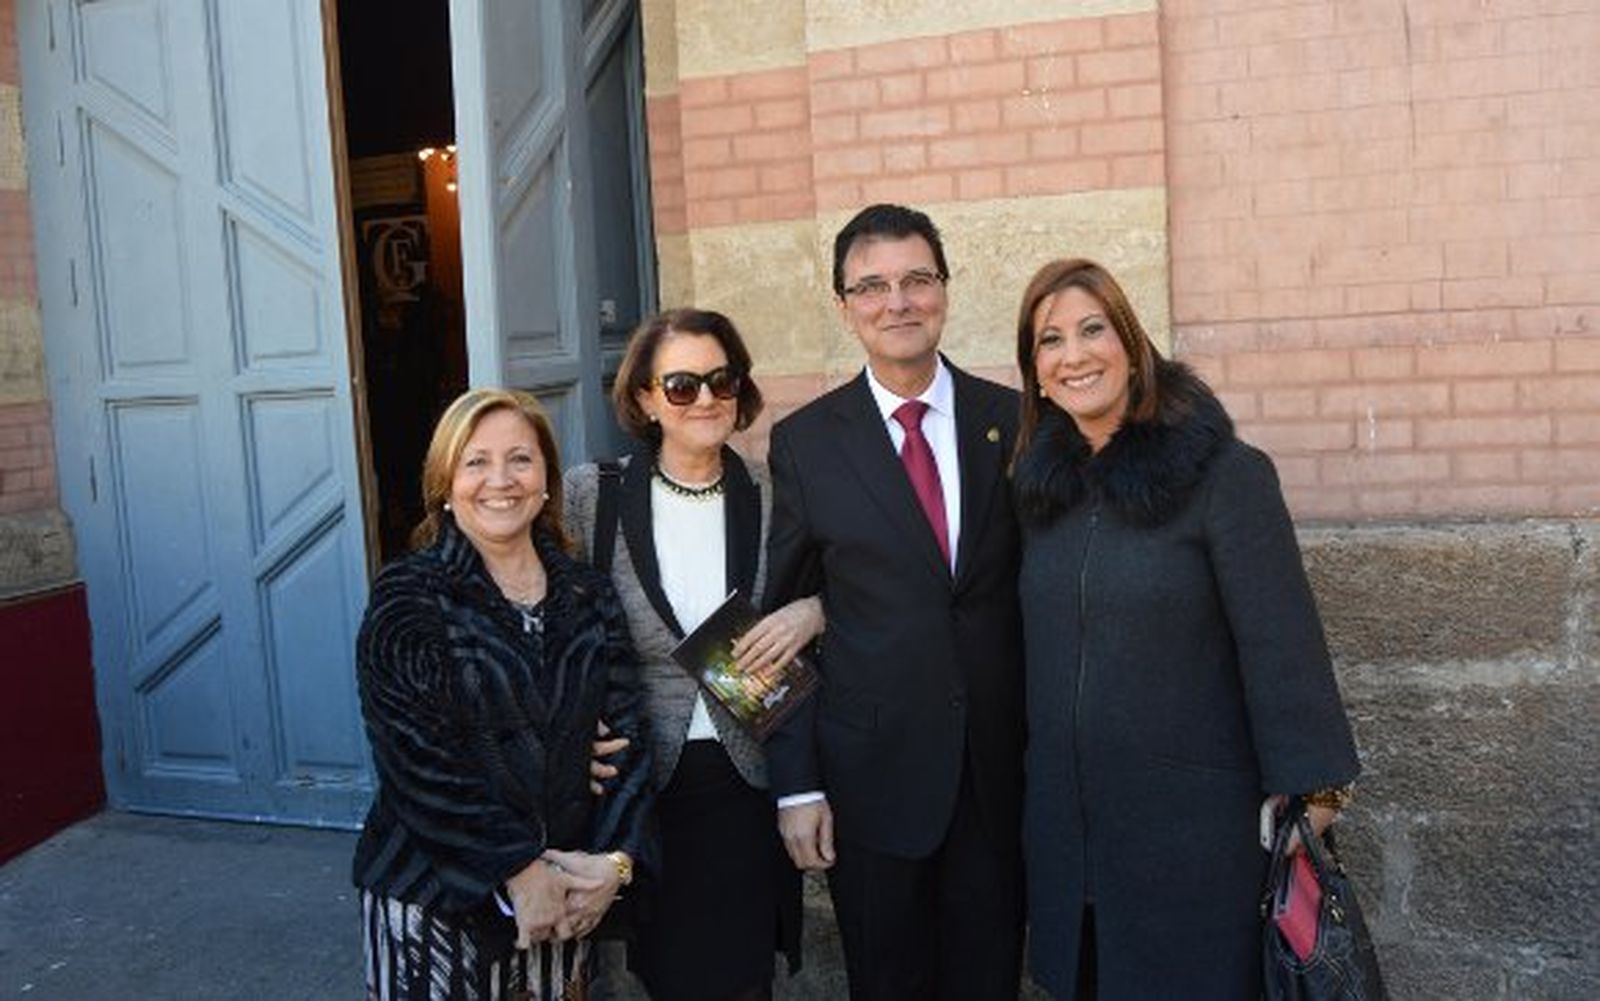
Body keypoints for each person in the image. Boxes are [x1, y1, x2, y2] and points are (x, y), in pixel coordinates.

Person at [1009, 258, 1361, 999]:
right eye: (1050, 340)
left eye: (1092, 329)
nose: (1074, 355)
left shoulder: (1226, 476)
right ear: (1035, 373)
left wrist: (1315, 786)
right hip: (1070, 844)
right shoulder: (1036, 497)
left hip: (1194, 843)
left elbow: (1282, 640)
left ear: (1132, 345)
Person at [763, 204, 1026, 1000]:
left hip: (996, 773)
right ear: (845, 307)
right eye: (872, 286)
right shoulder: (805, 441)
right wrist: (796, 785)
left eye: (917, 280)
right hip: (869, 783)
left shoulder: (1012, 421)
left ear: (945, 290)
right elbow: (772, 630)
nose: (898, 302)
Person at [352, 387, 654, 1000]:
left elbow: (629, 736)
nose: (501, 480)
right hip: (433, 905)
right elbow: (416, 762)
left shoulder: (587, 593)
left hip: (568, 896)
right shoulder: (409, 595)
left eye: (520, 459)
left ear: (546, 478)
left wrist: (614, 864)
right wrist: (517, 867)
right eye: (476, 462)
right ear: (445, 483)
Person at [565, 309, 821, 1001]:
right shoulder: (596, 493)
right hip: (640, 778)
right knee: (659, 971)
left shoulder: (774, 491)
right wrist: (564, 731)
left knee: (741, 973)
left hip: (744, 771)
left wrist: (813, 609)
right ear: (645, 398)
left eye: (721, 380)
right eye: (680, 384)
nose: (705, 398)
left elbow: (841, 583)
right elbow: (550, 619)